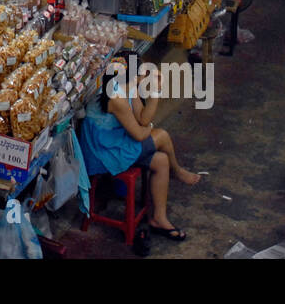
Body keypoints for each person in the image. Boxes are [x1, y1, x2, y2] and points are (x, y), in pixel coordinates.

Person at [79, 50, 200, 243]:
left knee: (161, 161)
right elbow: (139, 132)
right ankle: (177, 171)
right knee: (161, 136)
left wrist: (155, 92)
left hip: (115, 140)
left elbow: (143, 118)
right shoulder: (116, 97)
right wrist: (150, 127)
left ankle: (158, 218)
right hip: (102, 151)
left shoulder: (128, 87)